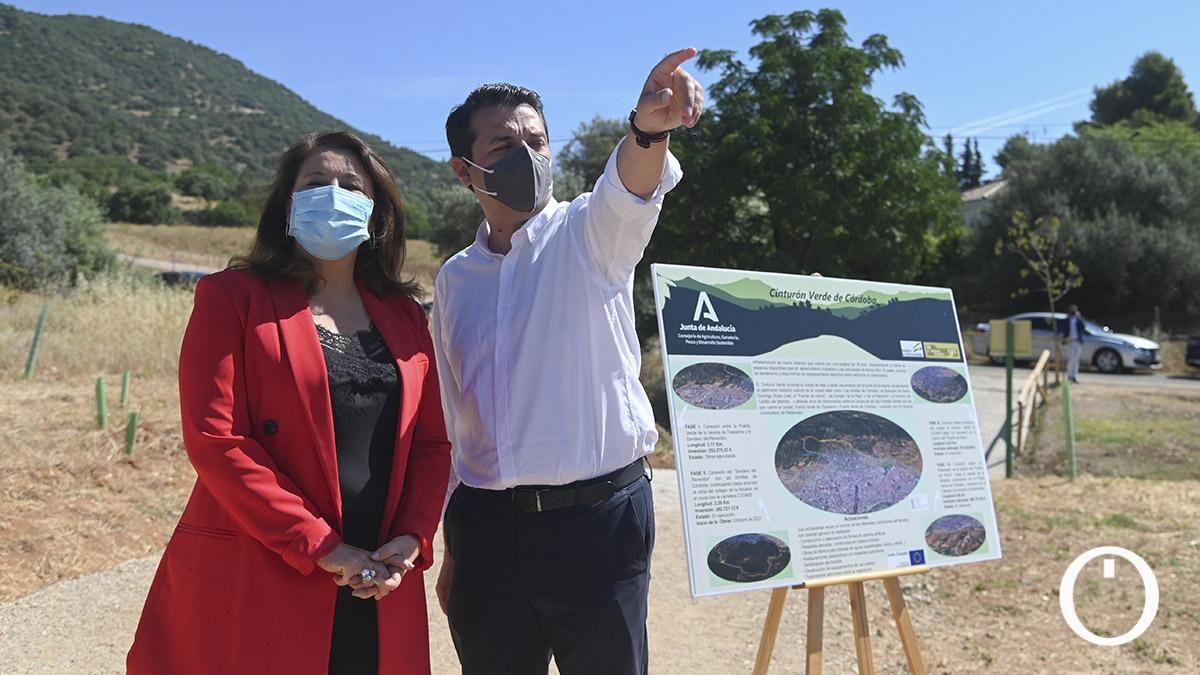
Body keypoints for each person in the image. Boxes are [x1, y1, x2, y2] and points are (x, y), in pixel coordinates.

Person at [127, 131, 452, 675]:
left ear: (376, 212)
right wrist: (321, 545)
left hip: (378, 572)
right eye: (315, 182)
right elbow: (218, 441)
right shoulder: (231, 298)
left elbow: (431, 442)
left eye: (351, 185)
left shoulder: (405, 316)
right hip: (269, 561)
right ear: (287, 204)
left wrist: (410, 537)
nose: (333, 193)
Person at [432, 48, 704, 675]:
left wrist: (648, 130)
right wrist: (456, 544)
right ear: (464, 169)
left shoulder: (588, 236)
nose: (527, 155)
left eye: (537, 140)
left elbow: (629, 186)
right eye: (504, 144)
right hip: (487, 532)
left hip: (597, 526)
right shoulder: (456, 280)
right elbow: (456, 417)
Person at [1060, 304, 1086, 383]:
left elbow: (1083, 326)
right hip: (1069, 341)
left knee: (1076, 359)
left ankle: (1074, 376)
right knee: (1071, 359)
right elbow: (1062, 329)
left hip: (1077, 341)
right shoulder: (1066, 320)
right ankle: (1069, 376)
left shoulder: (1078, 320)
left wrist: (1079, 317)